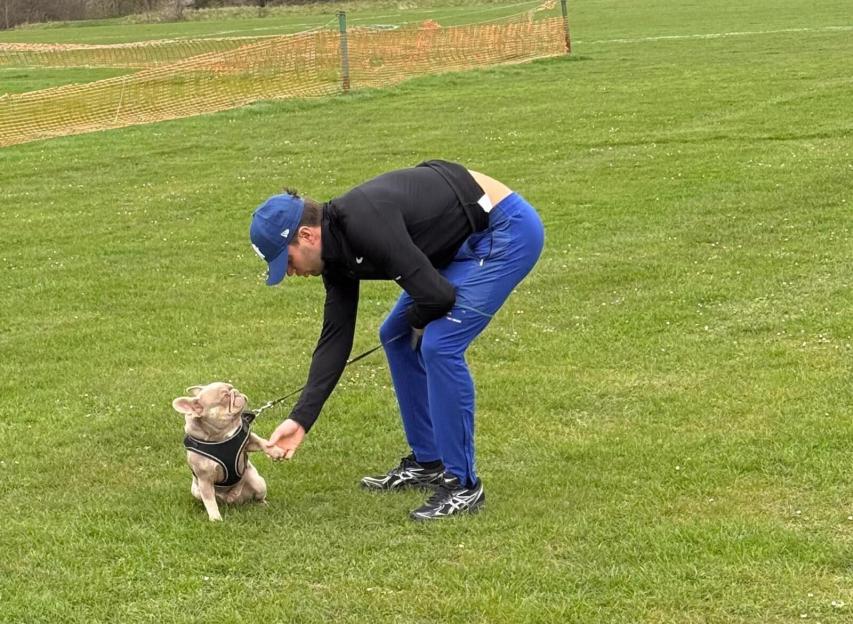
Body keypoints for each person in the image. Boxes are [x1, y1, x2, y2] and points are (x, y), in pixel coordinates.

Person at [249, 160, 544, 521]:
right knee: (394, 335)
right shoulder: (337, 251)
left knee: (440, 343)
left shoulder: (362, 223)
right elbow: (335, 338)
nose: (291, 273)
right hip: (455, 241)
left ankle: (463, 486)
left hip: (504, 230)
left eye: (288, 260)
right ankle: (428, 461)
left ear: (307, 236)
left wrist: (418, 324)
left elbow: (438, 298)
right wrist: (302, 419)